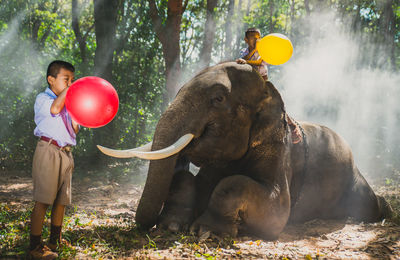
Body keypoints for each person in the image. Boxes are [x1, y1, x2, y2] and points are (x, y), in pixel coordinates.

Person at [29, 60, 79, 259]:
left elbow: (75, 128)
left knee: (61, 200)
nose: (70, 84)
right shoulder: (43, 98)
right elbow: (55, 109)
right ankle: (34, 246)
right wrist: (69, 91)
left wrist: (76, 107)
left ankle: (54, 240)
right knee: (43, 200)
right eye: (66, 79)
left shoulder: (69, 103)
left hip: (66, 153)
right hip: (48, 150)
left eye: (73, 80)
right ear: (51, 80)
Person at [236, 28, 302, 144]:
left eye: (258, 37)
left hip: (262, 80)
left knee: (274, 101)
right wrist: (248, 57)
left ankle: (291, 124)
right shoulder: (244, 51)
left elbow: (259, 63)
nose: (256, 40)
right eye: (253, 37)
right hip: (248, 81)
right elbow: (244, 60)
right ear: (246, 39)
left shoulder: (263, 51)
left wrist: (255, 51)